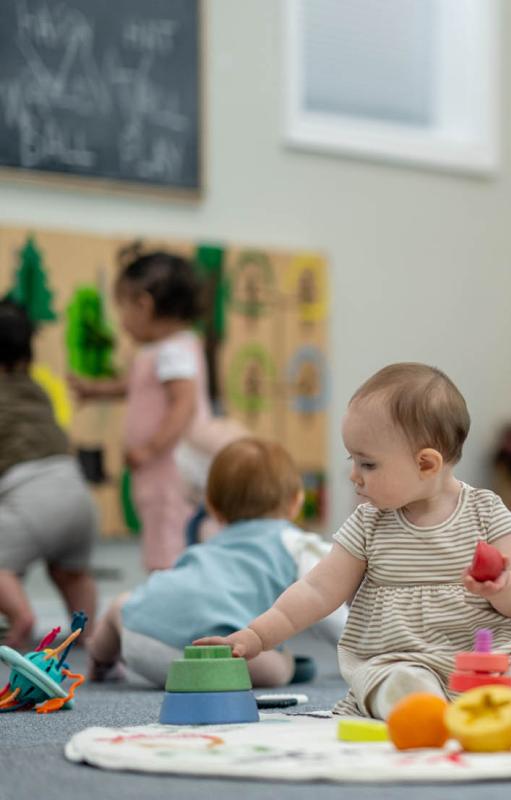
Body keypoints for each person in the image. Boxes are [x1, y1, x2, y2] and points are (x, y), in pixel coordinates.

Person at [197, 364, 511, 719]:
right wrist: (257, 636)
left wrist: (501, 587)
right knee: (397, 683)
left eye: (368, 464)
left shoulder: (486, 512)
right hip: (404, 658)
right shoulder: (368, 523)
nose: (354, 476)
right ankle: (423, 712)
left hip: (494, 655)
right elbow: (317, 590)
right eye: (353, 460)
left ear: (426, 464)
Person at [87, 438, 341, 688]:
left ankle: (101, 661)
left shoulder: (211, 542)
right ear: (296, 501)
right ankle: (285, 665)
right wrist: (361, 654)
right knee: (277, 666)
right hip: (219, 658)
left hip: (141, 638)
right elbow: (327, 604)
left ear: (212, 506)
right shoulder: (295, 543)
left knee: (120, 606)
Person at [71, 251, 212, 571]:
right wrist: (94, 391)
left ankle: (165, 591)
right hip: (160, 465)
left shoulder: (173, 350)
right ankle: (163, 586)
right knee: (160, 528)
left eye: (123, 308)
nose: (122, 322)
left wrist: (150, 447)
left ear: (144, 305)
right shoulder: (164, 350)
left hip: (170, 465)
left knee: (168, 535)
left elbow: (184, 403)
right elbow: (135, 385)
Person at [0, 300, 98, 648]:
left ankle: (22, 617)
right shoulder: (36, 390)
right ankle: (87, 634)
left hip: (31, 498)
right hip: (76, 493)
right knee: (73, 574)